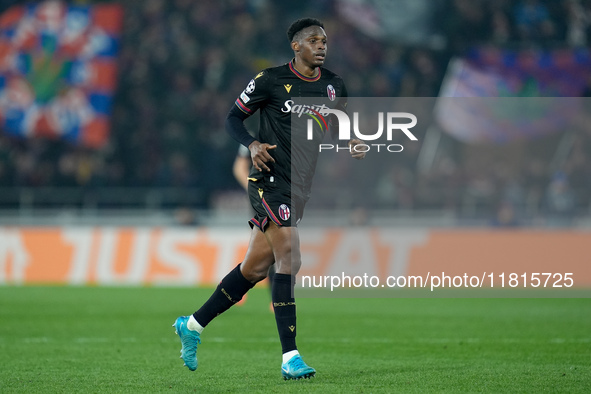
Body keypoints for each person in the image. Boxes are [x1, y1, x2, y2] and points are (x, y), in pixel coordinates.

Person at [173, 17, 365, 380]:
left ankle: (193, 325)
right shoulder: (270, 80)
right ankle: (290, 356)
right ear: (296, 46)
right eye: (313, 40)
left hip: (299, 187)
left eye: (324, 40)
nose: (322, 45)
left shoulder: (333, 86)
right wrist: (252, 143)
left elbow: (340, 122)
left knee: (254, 269)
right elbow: (233, 118)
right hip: (269, 180)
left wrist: (352, 140)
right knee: (290, 255)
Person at [233, 144, 277, 308]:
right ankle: (276, 298)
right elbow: (239, 167)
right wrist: (253, 188)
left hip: (281, 197)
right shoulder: (253, 136)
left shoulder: (287, 132)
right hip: (262, 199)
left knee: (268, 246)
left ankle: (236, 287)